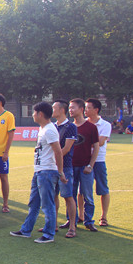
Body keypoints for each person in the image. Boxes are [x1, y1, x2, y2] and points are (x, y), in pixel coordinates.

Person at [10, 102, 67, 243]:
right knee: (34, 203)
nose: (32, 115)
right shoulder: (43, 129)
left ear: (40, 114)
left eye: (34, 112)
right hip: (39, 171)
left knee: (47, 205)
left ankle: (48, 234)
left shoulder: (49, 130)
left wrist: (60, 171)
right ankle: (26, 230)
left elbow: (58, 151)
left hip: (47, 172)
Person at [68, 98, 100, 232]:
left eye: (73, 107)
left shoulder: (91, 127)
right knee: (70, 195)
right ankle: (71, 220)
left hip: (85, 167)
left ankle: (89, 221)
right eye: (69, 108)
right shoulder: (69, 127)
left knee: (87, 195)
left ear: (81, 109)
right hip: (70, 167)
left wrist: (90, 165)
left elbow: (96, 147)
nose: (70, 110)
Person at [50, 100, 77, 238]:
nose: (52, 110)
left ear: (62, 110)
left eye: (54, 108)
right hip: (52, 167)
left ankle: (72, 227)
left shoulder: (70, 127)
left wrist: (54, 158)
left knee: (68, 196)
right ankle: (53, 225)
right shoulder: (52, 126)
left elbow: (66, 148)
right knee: (53, 196)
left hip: (65, 166)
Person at [85, 98, 112, 227]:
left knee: (103, 189)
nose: (85, 110)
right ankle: (81, 216)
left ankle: (104, 217)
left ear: (96, 110)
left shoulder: (105, 125)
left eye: (88, 108)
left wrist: (84, 142)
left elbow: (100, 142)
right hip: (84, 160)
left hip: (99, 161)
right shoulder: (82, 123)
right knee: (82, 190)